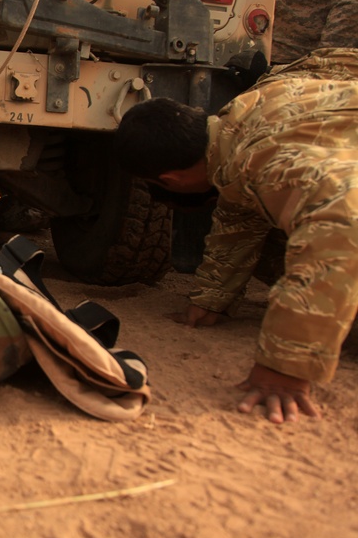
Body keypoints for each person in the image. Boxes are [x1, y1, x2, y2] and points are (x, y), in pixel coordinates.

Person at [113, 47, 358, 424]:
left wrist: (286, 368)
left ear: (170, 181)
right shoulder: (245, 115)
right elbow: (239, 201)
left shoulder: (261, 160)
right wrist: (213, 295)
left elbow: (342, 226)